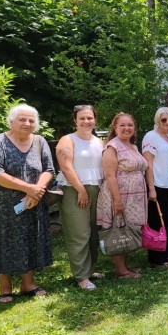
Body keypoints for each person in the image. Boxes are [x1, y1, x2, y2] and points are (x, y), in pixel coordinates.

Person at [0, 104, 54, 303]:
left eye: (31, 120)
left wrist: (37, 190)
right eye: (22, 119)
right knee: (3, 241)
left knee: (30, 239)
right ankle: (5, 287)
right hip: (2, 205)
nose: (27, 123)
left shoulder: (39, 141)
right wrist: (28, 188)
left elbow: (48, 169)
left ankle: (28, 284)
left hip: (32, 202)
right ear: (11, 121)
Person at [55, 105, 104, 289]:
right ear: (75, 120)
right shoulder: (67, 140)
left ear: (95, 120)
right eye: (82, 118)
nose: (86, 121)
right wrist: (81, 190)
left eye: (89, 118)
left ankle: (90, 270)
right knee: (79, 233)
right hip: (74, 190)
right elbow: (66, 167)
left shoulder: (99, 142)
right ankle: (81, 276)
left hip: (97, 189)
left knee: (93, 232)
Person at [98, 113, 148, 278]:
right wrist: (117, 201)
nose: (127, 128)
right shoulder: (112, 147)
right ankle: (121, 270)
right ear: (115, 127)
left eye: (130, 125)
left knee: (128, 228)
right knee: (118, 228)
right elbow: (110, 175)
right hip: (119, 195)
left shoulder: (132, 146)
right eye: (123, 125)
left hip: (134, 198)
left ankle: (125, 266)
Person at [141, 107, 168, 267]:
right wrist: (151, 188)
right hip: (157, 185)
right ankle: (156, 259)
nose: (167, 122)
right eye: (164, 119)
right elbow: (148, 164)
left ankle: (165, 255)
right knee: (156, 222)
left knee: (166, 222)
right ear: (157, 120)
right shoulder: (151, 137)